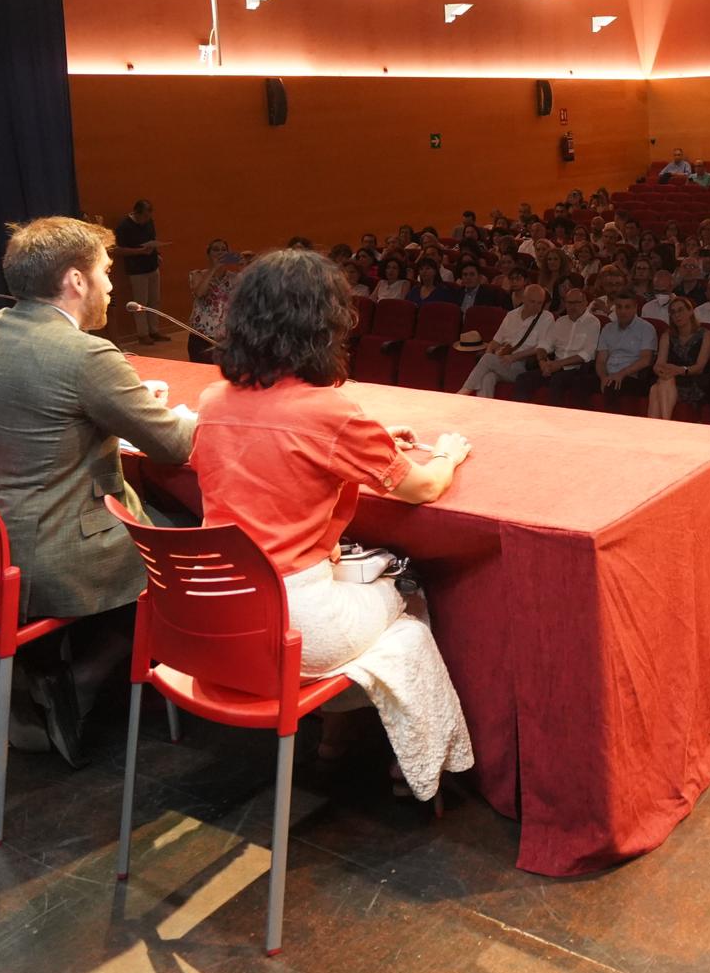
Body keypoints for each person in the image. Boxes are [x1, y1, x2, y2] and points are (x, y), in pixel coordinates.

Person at [189, 249, 473, 802]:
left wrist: (364, 436)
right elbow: (423, 487)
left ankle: (333, 745)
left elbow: (273, 450)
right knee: (410, 598)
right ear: (325, 325)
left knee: (360, 590)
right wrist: (449, 454)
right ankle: (418, 765)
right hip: (293, 625)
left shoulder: (212, 400)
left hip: (212, 617)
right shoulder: (330, 411)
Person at [0, 216, 196, 762]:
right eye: (105, 272)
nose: (112, 285)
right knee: (180, 553)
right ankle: (79, 681)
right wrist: (188, 413)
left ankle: (43, 671)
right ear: (76, 280)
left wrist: (122, 402)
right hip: (46, 553)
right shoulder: (86, 354)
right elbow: (174, 445)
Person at [458, 285, 553, 397]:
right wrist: (490, 354)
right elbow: (495, 342)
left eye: (539, 303)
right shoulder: (511, 315)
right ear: (524, 299)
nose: (536, 306)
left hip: (524, 364)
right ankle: (484, 406)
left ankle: (464, 392)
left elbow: (541, 347)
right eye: (532, 302)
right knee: (488, 377)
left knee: (487, 360)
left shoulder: (546, 317)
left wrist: (513, 357)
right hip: (503, 359)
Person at [513, 288, 600, 405]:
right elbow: (544, 345)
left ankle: (553, 416)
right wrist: (542, 363)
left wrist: (559, 364)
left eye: (577, 302)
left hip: (576, 369)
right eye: (569, 303)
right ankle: (521, 413)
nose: (573, 306)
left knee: (557, 380)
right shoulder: (560, 322)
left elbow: (588, 353)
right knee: (523, 379)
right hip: (554, 367)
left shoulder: (593, 322)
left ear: (585, 303)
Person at [648, 297, 710, 420]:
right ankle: (665, 423)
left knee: (656, 388)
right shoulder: (667, 335)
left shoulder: (706, 335)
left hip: (693, 379)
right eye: (673, 312)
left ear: (690, 311)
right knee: (659, 385)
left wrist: (679, 370)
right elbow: (658, 364)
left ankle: (661, 425)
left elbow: (699, 367)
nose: (677, 315)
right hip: (670, 377)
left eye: (680, 310)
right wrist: (662, 372)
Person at [593, 294, 659, 411]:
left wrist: (621, 374)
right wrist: (603, 377)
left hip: (632, 377)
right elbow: (601, 361)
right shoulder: (608, 328)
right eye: (619, 307)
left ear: (635, 308)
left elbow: (646, 359)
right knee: (580, 383)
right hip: (608, 374)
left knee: (612, 386)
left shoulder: (646, 328)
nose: (623, 311)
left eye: (627, 307)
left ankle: (610, 422)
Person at [113, 199, 164, 343]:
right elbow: (118, 250)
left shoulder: (149, 222)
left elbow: (152, 239)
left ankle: (154, 331)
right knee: (140, 303)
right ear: (136, 213)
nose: (147, 219)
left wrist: (157, 254)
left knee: (154, 300)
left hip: (152, 266)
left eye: (149, 216)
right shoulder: (124, 226)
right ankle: (143, 334)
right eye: (145, 216)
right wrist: (139, 251)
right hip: (137, 270)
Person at [186, 239, 242, 362]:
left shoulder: (235, 278)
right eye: (216, 249)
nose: (220, 252)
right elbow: (199, 293)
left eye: (223, 250)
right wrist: (214, 268)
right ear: (209, 254)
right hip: (201, 336)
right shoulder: (198, 274)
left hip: (225, 336)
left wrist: (244, 264)